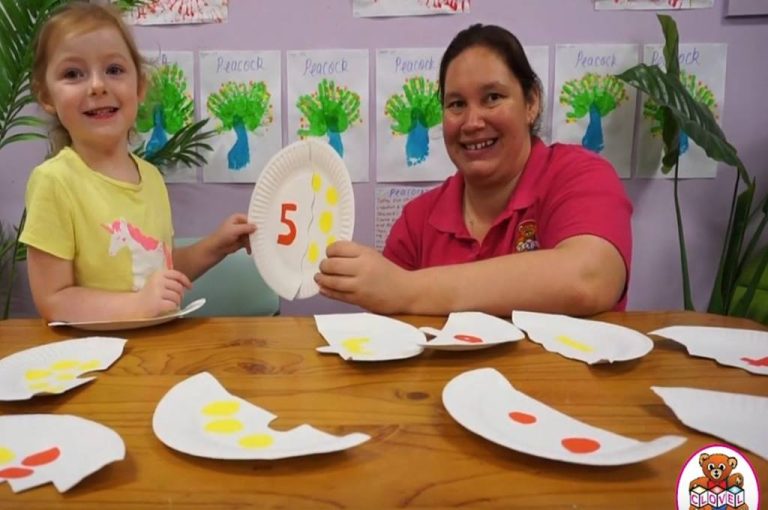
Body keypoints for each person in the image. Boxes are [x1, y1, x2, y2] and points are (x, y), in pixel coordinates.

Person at [316, 24, 632, 317]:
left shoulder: (579, 176)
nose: (472, 122)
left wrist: (407, 289)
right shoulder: (417, 221)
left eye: (492, 98)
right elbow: (393, 336)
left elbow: (591, 278)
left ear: (531, 102)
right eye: (456, 104)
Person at [20, 2, 255, 323]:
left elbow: (157, 270)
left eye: (114, 70)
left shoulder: (151, 177)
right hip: (93, 361)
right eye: (73, 74)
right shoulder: (54, 181)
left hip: (154, 355)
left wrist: (216, 245)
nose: (97, 85)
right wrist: (137, 305)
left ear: (139, 86)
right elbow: (53, 300)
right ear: (46, 96)